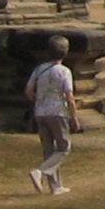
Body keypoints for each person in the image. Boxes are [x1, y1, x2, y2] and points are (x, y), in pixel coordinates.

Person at [24, 35, 78, 194]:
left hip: (40, 112)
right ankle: (40, 171)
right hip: (57, 113)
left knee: (49, 150)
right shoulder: (64, 71)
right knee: (63, 148)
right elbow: (69, 96)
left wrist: (40, 100)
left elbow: (28, 91)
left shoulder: (39, 69)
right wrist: (74, 117)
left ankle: (55, 186)